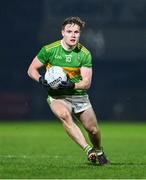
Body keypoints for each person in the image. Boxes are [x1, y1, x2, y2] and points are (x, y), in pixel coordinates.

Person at [27, 16, 109, 165]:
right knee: (64, 115)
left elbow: (86, 83)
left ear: (80, 34)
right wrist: (40, 79)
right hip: (57, 96)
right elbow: (31, 69)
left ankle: (99, 151)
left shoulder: (84, 54)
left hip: (78, 95)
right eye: (69, 31)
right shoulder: (49, 50)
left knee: (93, 130)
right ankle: (88, 150)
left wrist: (70, 85)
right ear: (62, 32)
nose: (73, 35)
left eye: (76, 32)